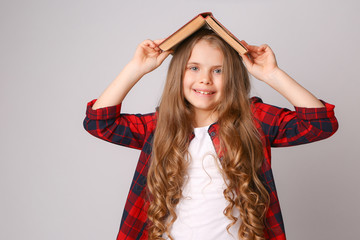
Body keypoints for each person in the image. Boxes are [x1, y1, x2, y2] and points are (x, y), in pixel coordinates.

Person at [83, 29, 338, 240]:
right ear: (178, 74)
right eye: (193, 68)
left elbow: (320, 125)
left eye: (218, 70)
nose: (205, 79)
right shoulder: (160, 126)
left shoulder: (253, 120)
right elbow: (99, 123)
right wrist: (136, 68)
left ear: (234, 77)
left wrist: (272, 74)